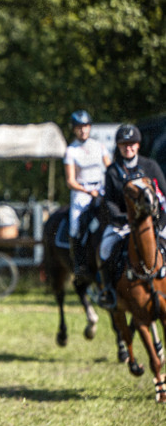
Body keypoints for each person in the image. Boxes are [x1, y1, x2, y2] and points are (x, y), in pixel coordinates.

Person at [96, 123, 166, 309]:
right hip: (123, 222)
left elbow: (163, 195)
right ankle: (109, 291)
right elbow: (109, 200)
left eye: (132, 143)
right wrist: (121, 218)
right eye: (124, 144)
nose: (128, 147)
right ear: (118, 146)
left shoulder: (150, 166)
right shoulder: (112, 171)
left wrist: (160, 220)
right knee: (105, 248)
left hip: (153, 221)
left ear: (138, 145)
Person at [63, 110, 111, 278]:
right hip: (82, 192)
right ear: (74, 129)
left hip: (101, 188)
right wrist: (88, 190)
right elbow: (70, 181)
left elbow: (110, 168)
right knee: (76, 225)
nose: (83, 130)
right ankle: (79, 263)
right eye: (79, 127)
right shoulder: (71, 151)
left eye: (86, 126)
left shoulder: (99, 147)